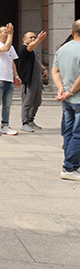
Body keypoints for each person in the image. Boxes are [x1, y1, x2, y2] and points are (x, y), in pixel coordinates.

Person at [52, 21, 80, 181]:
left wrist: (61, 88)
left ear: (72, 31)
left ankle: (72, 164)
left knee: (69, 132)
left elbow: (55, 70)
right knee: (78, 133)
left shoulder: (62, 49)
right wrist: (70, 91)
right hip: (76, 97)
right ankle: (69, 167)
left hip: (66, 100)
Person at [0, 24, 21, 136]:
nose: (7, 34)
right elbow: (5, 48)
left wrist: (16, 76)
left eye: (8, 32)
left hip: (9, 78)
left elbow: (12, 62)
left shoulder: (11, 47)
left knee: (7, 104)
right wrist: (11, 35)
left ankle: (5, 125)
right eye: (5, 32)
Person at [19, 30, 48, 132]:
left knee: (37, 102)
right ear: (24, 39)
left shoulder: (34, 51)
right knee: (27, 102)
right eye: (31, 37)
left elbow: (37, 62)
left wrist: (44, 69)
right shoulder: (24, 49)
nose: (33, 39)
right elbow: (29, 48)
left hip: (37, 81)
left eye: (34, 37)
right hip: (29, 80)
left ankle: (31, 120)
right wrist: (39, 39)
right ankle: (25, 122)